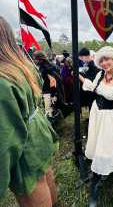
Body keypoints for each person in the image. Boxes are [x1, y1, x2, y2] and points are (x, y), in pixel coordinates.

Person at [0, 16, 58, 206]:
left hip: (25, 143)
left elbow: (6, 140)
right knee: (45, 175)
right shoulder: (21, 65)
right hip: (37, 131)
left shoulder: (3, 78)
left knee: (33, 187)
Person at [79, 46, 113, 206]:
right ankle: (97, 170)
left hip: (111, 117)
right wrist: (79, 77)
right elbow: (93, 87)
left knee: (107, 145)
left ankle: (97, 180)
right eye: (101, 60)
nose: (104, 63)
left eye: (107, 59)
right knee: (95, 142)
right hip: (96, 113)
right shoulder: (100, 75)